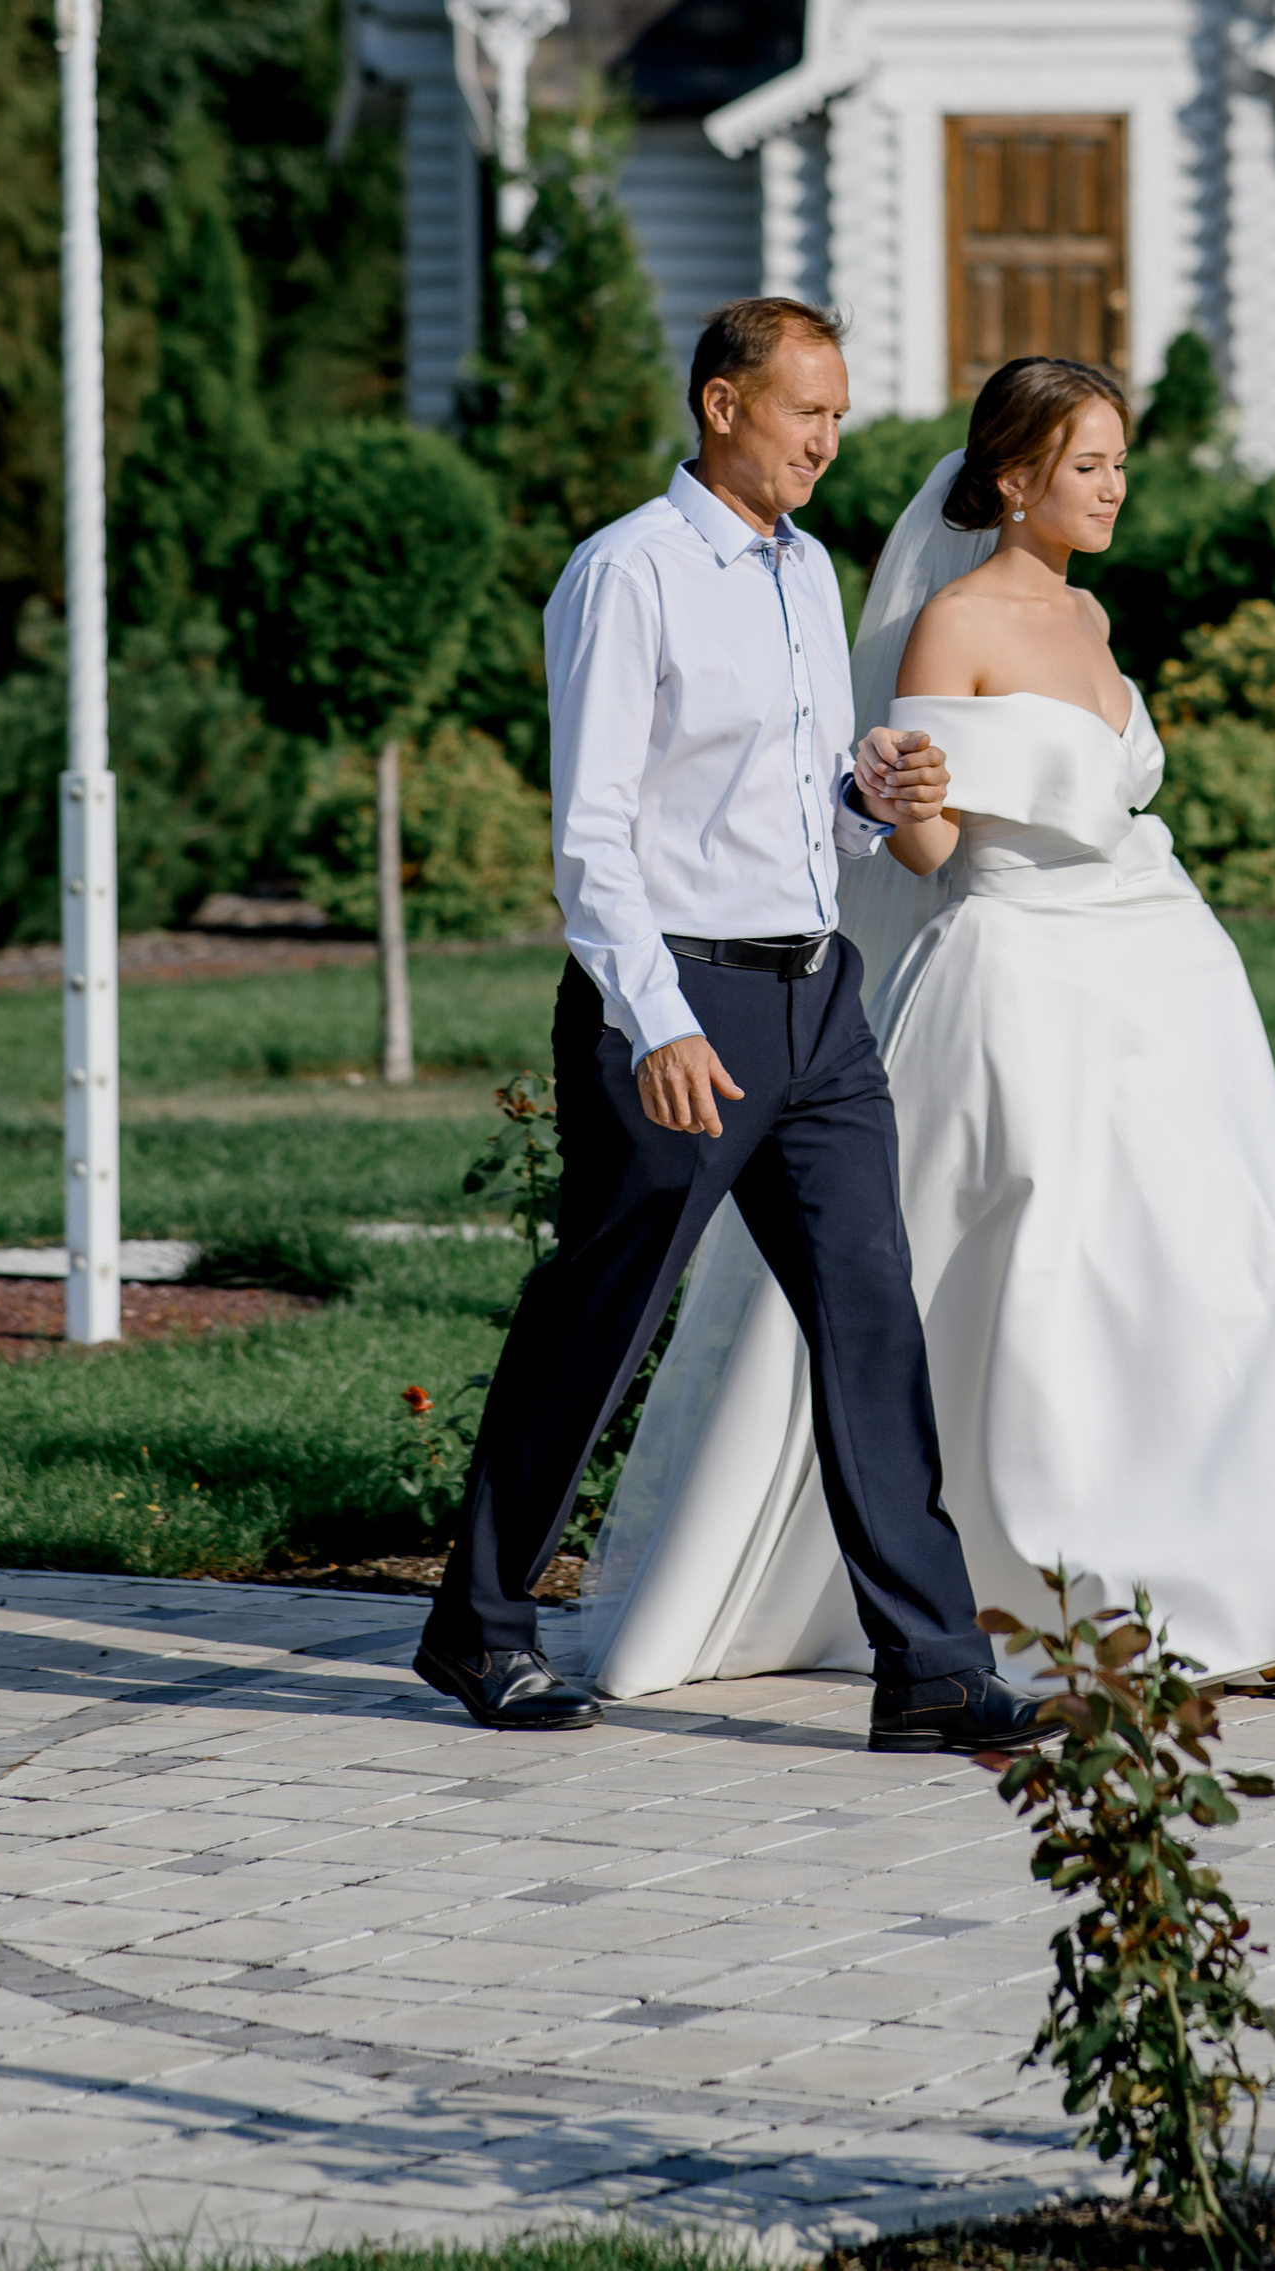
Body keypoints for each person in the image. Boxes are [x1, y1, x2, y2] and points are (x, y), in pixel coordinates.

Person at [566, 353, 1275, 1700]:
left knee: (1230, 1269)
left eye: (1118, 465)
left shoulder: (1094, 619)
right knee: (1063, 1282)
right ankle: (1081, 1601)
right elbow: (922, 845)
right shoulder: (953, 625)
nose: (1112, 489)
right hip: (1026, 982)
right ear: (1013, 477)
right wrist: (898, 789)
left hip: (1163, 978)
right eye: (1088, 465)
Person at [415, 294, 1048, 1754]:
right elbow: (596, 838)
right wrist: (656, 1023)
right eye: (804, 412)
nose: (830, 441)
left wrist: (865, 796)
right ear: (721, 407)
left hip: (816, 1003)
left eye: (837, 414)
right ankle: (481, 1627)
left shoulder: (806, 571)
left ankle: (934, 1665)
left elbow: (796, 804)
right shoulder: (625, 574)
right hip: (679, 1009)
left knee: (872, 1319)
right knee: (601, 1316)